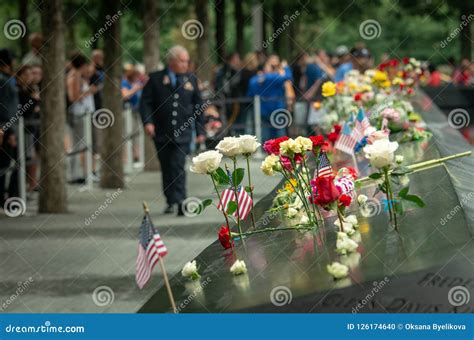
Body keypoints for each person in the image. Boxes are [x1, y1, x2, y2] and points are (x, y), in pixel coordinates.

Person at [139, 45, 206, 216]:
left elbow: (198, 106)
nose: (186, 64)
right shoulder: (155, 78)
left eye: (186, 61)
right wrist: (148, 122)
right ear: (172, 61)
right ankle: (170, 200)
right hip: (161, 132)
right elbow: (145, 103)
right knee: (167, 166)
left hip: (183, 132)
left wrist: (200, 131)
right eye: (182, 61)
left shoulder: (190, 79)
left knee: (178, 165)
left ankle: (181, 200)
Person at [66, 52, 97, 184]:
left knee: (84, 144)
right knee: (79, 145)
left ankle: (85, 172)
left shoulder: (80, 76)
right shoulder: (74, 76)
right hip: (78, 115)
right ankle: (76, 174)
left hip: (85, 114)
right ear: (82, 65)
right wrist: (89, 91)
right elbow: (74, 97)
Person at [247, 57, 293, 141]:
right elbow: (288, 77)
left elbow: (250, 93)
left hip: (262, 112)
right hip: (277, 112)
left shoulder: (254, 80)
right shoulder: (274, 77)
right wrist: (285, 67)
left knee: (266, 138)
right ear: (265, 67)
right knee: (280, 139)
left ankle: (266, 153)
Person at [0, 48, 19, 208]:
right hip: (6, 128)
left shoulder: (7, 78)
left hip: (8, 126)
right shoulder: (3, 80)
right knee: (5, 163)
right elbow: (5, 108)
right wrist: (10, 130)